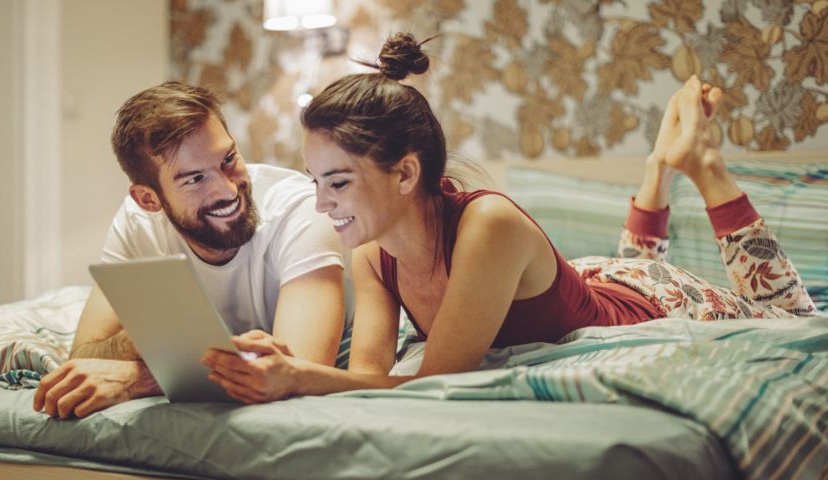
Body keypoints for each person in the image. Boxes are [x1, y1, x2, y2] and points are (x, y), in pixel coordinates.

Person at [200, 33, 818, 404]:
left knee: (791, 317)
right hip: (581, 279)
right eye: (316, 182)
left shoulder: (488, 225)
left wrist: (301, 378)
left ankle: (702, 167)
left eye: (337, 183)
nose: (321, 203)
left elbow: (436, 384)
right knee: (620, 265)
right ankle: (656, 169)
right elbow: (367, 377)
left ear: (406, 173)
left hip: (648, 298)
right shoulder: (369, 252)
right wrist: (291, 365)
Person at [32, 82, 350, 418]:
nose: (228, 190)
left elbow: (298, 373)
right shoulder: (138, 224)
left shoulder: (301, 209)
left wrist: (139, 378)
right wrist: (132, 342)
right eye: (195, 179)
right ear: (149, 199)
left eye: (228, 159)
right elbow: (82, 358)